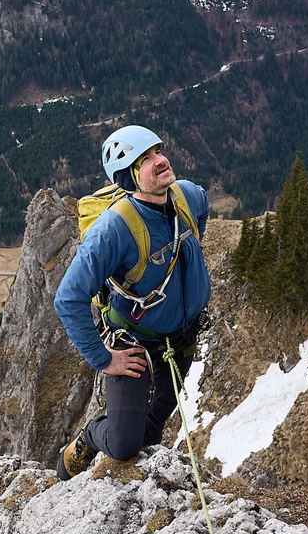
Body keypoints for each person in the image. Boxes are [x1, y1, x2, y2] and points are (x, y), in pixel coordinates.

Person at [53, 125, 211, 479]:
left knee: (150, 436)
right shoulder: (113, 230)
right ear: (129, 177)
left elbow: (202, 214)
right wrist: (103, 359)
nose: (160, 160)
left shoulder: (187, 197)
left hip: (181, 341)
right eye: (145, 159)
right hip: (133, 345)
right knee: (125, 444)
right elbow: (68, 298)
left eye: (158, 150)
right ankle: (89, 439)